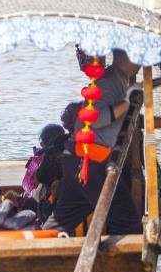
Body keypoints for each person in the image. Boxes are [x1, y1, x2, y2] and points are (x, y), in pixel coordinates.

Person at [45, 51, 142, 235]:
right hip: (89, 163)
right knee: (127, 223)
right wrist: (127, 103)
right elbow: (95, 118)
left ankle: (35, 245)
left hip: (76, 159)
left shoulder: (117, 79)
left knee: (60, 222)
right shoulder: (110, 81)